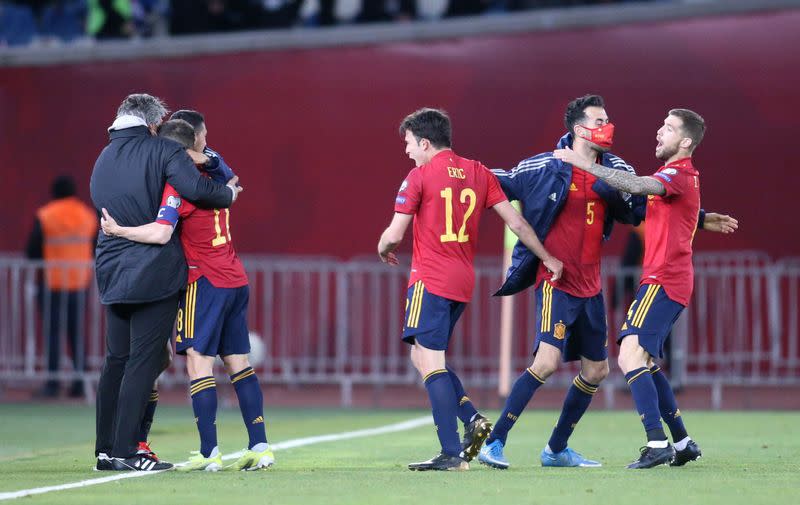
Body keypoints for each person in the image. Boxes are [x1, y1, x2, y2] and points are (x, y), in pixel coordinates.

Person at [378, 108, 563, 471]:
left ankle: (451, 453)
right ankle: (472, 418)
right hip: (462, 281)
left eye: (409, 143)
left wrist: (383, 247)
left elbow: (395, 234)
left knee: (429, 362)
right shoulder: (479, 172)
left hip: (429, 278)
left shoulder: (419, 176)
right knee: (423, 356)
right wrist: (548, 258)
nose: (407, 151)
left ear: (425, 142)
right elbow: (517, 222)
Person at [553, 108, 737, 469]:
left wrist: (582, 162)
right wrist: (701, 218)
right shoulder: (683, 176)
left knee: (629, 358)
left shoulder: (676, 173)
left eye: (668, 128)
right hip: (670, 278)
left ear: (685, 141)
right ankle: (681, 441)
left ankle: (656, 443)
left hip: (663, 279)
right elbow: (667, 207)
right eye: (661, 124)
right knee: (645, 362)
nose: (659, 132)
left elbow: (638, 186)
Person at [479, 94, 646, 469]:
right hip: (556, 280)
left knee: (597, 370)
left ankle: (556, 450)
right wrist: (457, 174)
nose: (607, 126)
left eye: (608, 118)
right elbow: (497, 179)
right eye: (599, 120)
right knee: (547, 362)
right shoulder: (545, 166)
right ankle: (493, 443)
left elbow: (647, 197)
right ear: (577, 128)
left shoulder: (615, 167)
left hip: (591, 286)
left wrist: (698, 217)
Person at [102, 112, 273, 472]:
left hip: (203, 281)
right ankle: (260, 446)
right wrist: (204, 156)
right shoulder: (219, 177)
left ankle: (209, 452)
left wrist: (120, 231)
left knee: (198, 361)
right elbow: (221, 168)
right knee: (239, 363)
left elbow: (162, 233)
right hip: (234, 277)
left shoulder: (179, 187)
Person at [25, 175, 97, 399]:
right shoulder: (87, 215)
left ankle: (53, 383)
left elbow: (32, 250)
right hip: (79, 282)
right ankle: (79, 383)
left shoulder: (46, 215)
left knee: (53, 334)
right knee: (77, 333)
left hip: (52, 281)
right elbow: (96, 245)